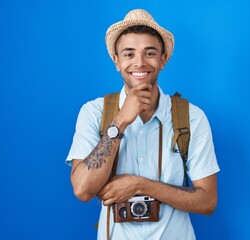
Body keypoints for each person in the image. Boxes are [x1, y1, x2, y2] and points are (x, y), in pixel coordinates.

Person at [66, 9, 220, 240]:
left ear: (163, 59)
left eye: (150, 53)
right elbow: (83, 189)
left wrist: (140, 186)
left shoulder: (191, 116)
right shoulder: (93, 112)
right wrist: (120, 121)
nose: (139, 63)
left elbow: (207, 201)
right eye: (129, 54)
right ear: (117, 61)